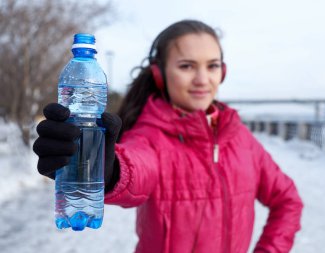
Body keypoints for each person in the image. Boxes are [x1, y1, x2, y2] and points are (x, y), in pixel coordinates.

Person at [33, 20, 303, 253]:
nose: (202, 79)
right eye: (186, 66)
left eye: (212, 66)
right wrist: (110, 168)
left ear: (223, 72)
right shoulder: (151, 136)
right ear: (159, 75)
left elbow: (288, 200)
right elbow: (137, 164)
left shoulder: (241, 139)